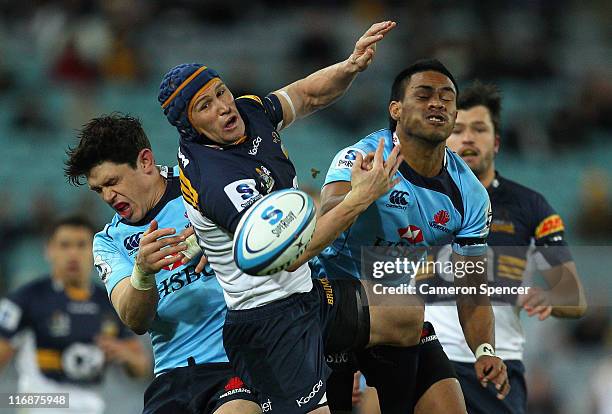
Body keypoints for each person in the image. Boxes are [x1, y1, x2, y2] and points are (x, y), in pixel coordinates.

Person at [159, 21, 432, 414]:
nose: (223, 106)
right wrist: (361, 196)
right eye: (206, 106)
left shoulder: (247, 113)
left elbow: (306, 95)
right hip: (268, 323)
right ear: (190, 126)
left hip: (308, 295)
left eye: (220, 92)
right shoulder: (216, 180)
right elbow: (295, 253)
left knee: (404, 316)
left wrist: (350, 66)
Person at [316, 59, 510, 413]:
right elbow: (326, 214)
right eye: (423, 95)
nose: (437, 103)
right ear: (396, 109)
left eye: (447, 97)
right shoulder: (364, 156)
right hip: (327, 304)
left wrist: (485, 350)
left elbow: (472, 288)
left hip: (395, 316)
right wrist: (360, 195)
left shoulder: (469, 193)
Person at [64, 114, 264, 414]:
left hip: (236, 362)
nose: (107, 196)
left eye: (112, 182)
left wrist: (223, 232)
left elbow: (279, 231)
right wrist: (142, 273)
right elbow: (135, 321)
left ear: (145, 161)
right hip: (171, 378)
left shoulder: (203, 187)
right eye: (98, 190)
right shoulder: (108, 241)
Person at [434, 80, 587, 413]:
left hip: (496, 366)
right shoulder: (418, 198)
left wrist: (549, 296)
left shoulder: (530, 206)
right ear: (444, 138)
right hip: (430, 359)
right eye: (457, 129)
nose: (468, 138)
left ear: (497, 141)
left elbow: (573, 297)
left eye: (479, 129)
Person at [0, 216, 150, 414]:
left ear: (96, 251)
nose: (73, 254)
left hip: (91, 405)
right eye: (64, 245)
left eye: (81, 245)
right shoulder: (25, 300)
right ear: (49, 250)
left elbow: (141, 368)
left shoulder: (110, 303)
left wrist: (126, 355)